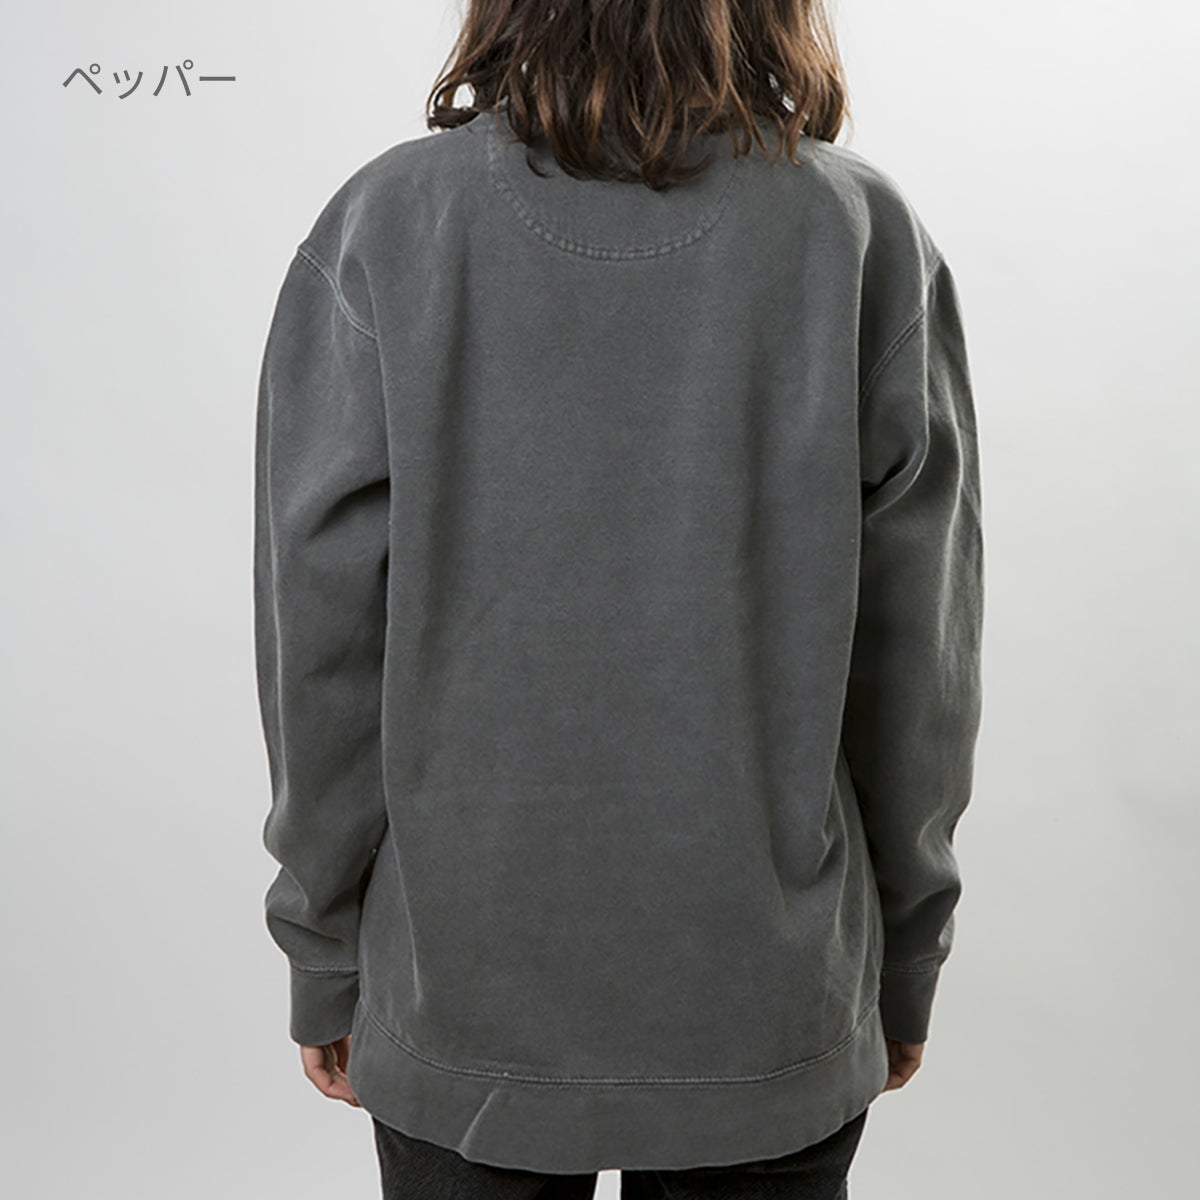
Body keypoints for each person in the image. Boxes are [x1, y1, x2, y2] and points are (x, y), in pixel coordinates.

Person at [252, 1, 984, 1196]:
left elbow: (318, 638)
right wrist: (906, 956)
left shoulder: (389, 222)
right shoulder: (856, 234)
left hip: (461, 984)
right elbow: (922, 670)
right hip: (768, 997)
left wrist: (323, 946)